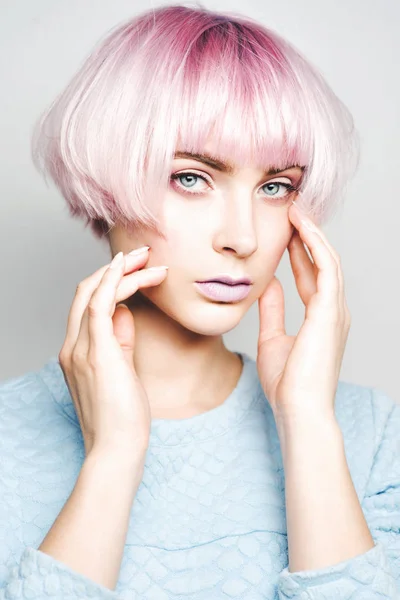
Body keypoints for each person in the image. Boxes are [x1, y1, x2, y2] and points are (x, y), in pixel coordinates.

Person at [0, 3, 398, 599]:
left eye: (274, 187)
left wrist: (308, 427)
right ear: (107, 180)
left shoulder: (374, 435)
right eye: (191, 177)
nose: (241, 237)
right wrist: (112, 459)